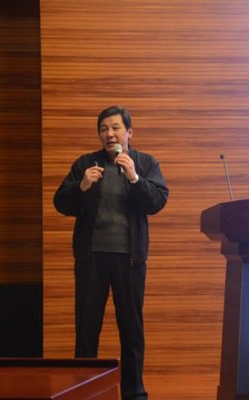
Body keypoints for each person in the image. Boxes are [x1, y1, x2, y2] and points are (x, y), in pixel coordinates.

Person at [53, 106, 168, 400]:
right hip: (92, 258)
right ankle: (84, 391)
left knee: (131, 330)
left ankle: (134, 393)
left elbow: (157, 201)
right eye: (104, 129)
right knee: (87, 328)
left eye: (116, 128)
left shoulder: (144, 163)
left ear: (129, 132)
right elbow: (61, 203)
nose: (110, 134)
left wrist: (134, 178)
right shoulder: (86, 164)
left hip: (130, 259)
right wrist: (82, 186)